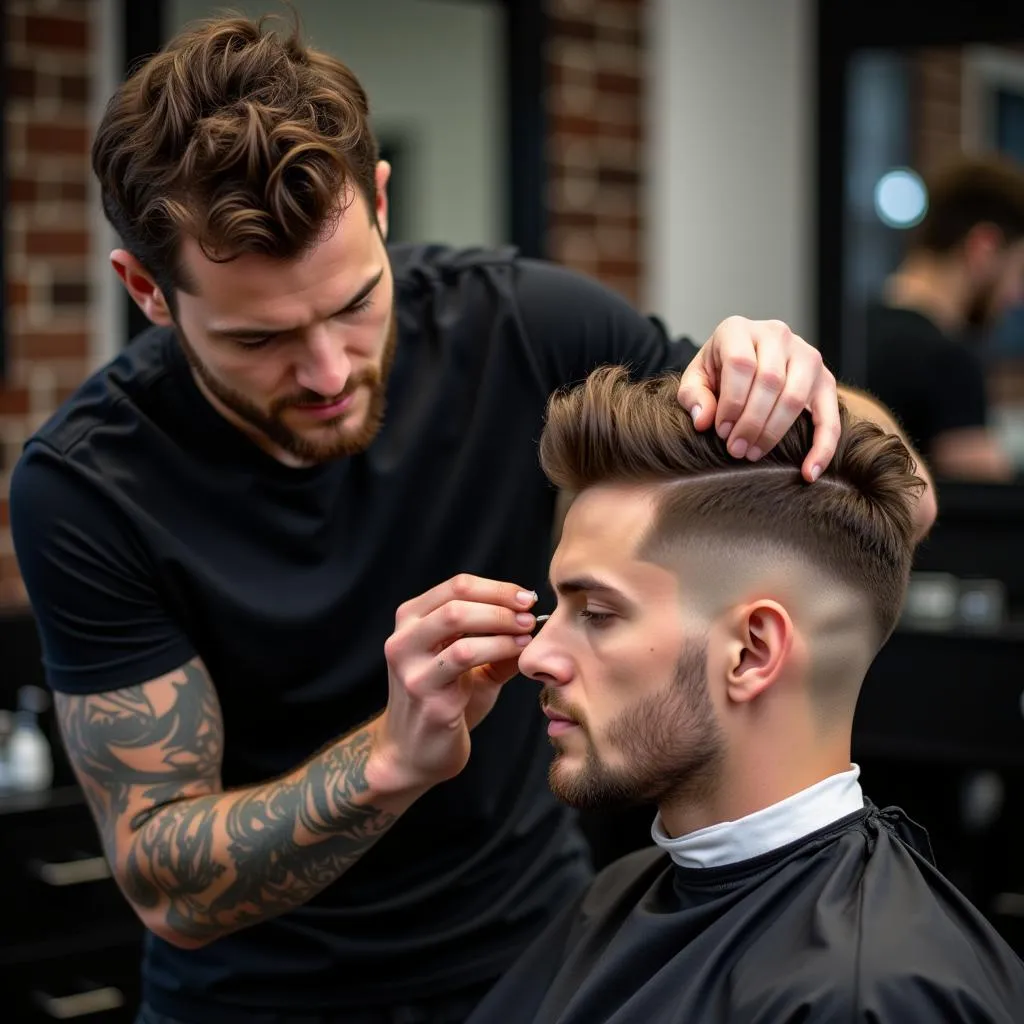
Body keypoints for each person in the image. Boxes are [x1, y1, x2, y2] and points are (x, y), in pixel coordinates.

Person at [8, 13, 935, 1024]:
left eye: (356, 302)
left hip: (536, 969)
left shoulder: (524, 328)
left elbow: (888, 500)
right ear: (147, 288)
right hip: (254, 1003)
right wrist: (392, 760)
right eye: (260, 338)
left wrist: (795, 389)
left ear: (378, 198)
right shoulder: (88, 485)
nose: (328, 371)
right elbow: (166, 884)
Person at [465, 366, 1024, 1024]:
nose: (534, 654)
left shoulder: (867, 995)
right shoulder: (616, 897)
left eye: (597, 613)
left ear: (752, 652)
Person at [865, 154, 1024, 480]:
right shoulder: (949, 362)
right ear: (985, 247)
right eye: (1019, 272)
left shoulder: (853, 328)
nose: (1016, 296)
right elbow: (988, 504)